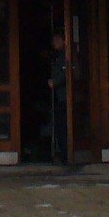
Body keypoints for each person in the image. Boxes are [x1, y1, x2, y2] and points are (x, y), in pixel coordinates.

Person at [47, 29, 70, 165]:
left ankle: (65, 155)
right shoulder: (57, 56)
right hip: (60, 96)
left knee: (63, 126)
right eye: (53, 40)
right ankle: (62, 154)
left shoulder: (66, 56)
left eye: (57, 39)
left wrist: (55, 82)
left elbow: (67, 73)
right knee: (59, 125)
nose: (54, 42)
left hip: (65, 97)